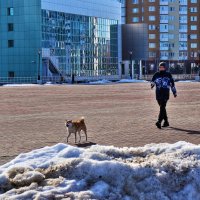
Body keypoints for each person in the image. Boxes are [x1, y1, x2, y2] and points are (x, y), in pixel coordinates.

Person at [151, 62, 177, 129]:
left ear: (165, 68)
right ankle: (166, 122)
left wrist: (174, 92)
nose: (161, 68)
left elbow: (172, 84)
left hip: (165, 93)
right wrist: (152, 84)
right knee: (162, 108)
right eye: (160, 67)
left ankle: (159, 122)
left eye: (162, 67)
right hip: (158, 94)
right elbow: (153, 81)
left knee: (162, 107)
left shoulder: (168, 75)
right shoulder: (156, 74)